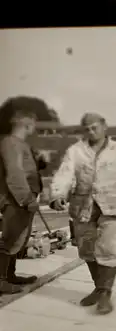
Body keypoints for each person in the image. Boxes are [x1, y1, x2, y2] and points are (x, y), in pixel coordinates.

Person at [49, 112, 116, 315]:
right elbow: (64, 174)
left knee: (109, 248)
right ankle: (99, 287)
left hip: (113, 204)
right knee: (87, 250)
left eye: (95, 127)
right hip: (83, 206)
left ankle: (105, 293)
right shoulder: (76, 151)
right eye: (87, 129)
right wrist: (58, 194)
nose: (91, 132)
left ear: (104, 126)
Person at [0, 103, 44, 295]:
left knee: (19, 239)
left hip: (21, 200)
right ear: (27, 124)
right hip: (15, 200)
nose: (34, 128)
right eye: (33, 124)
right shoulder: (11, 143)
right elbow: (15, 173)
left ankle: (10, 276)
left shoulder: (20, 144)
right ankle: (1, 281)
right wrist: (27, 199)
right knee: (10, 239)